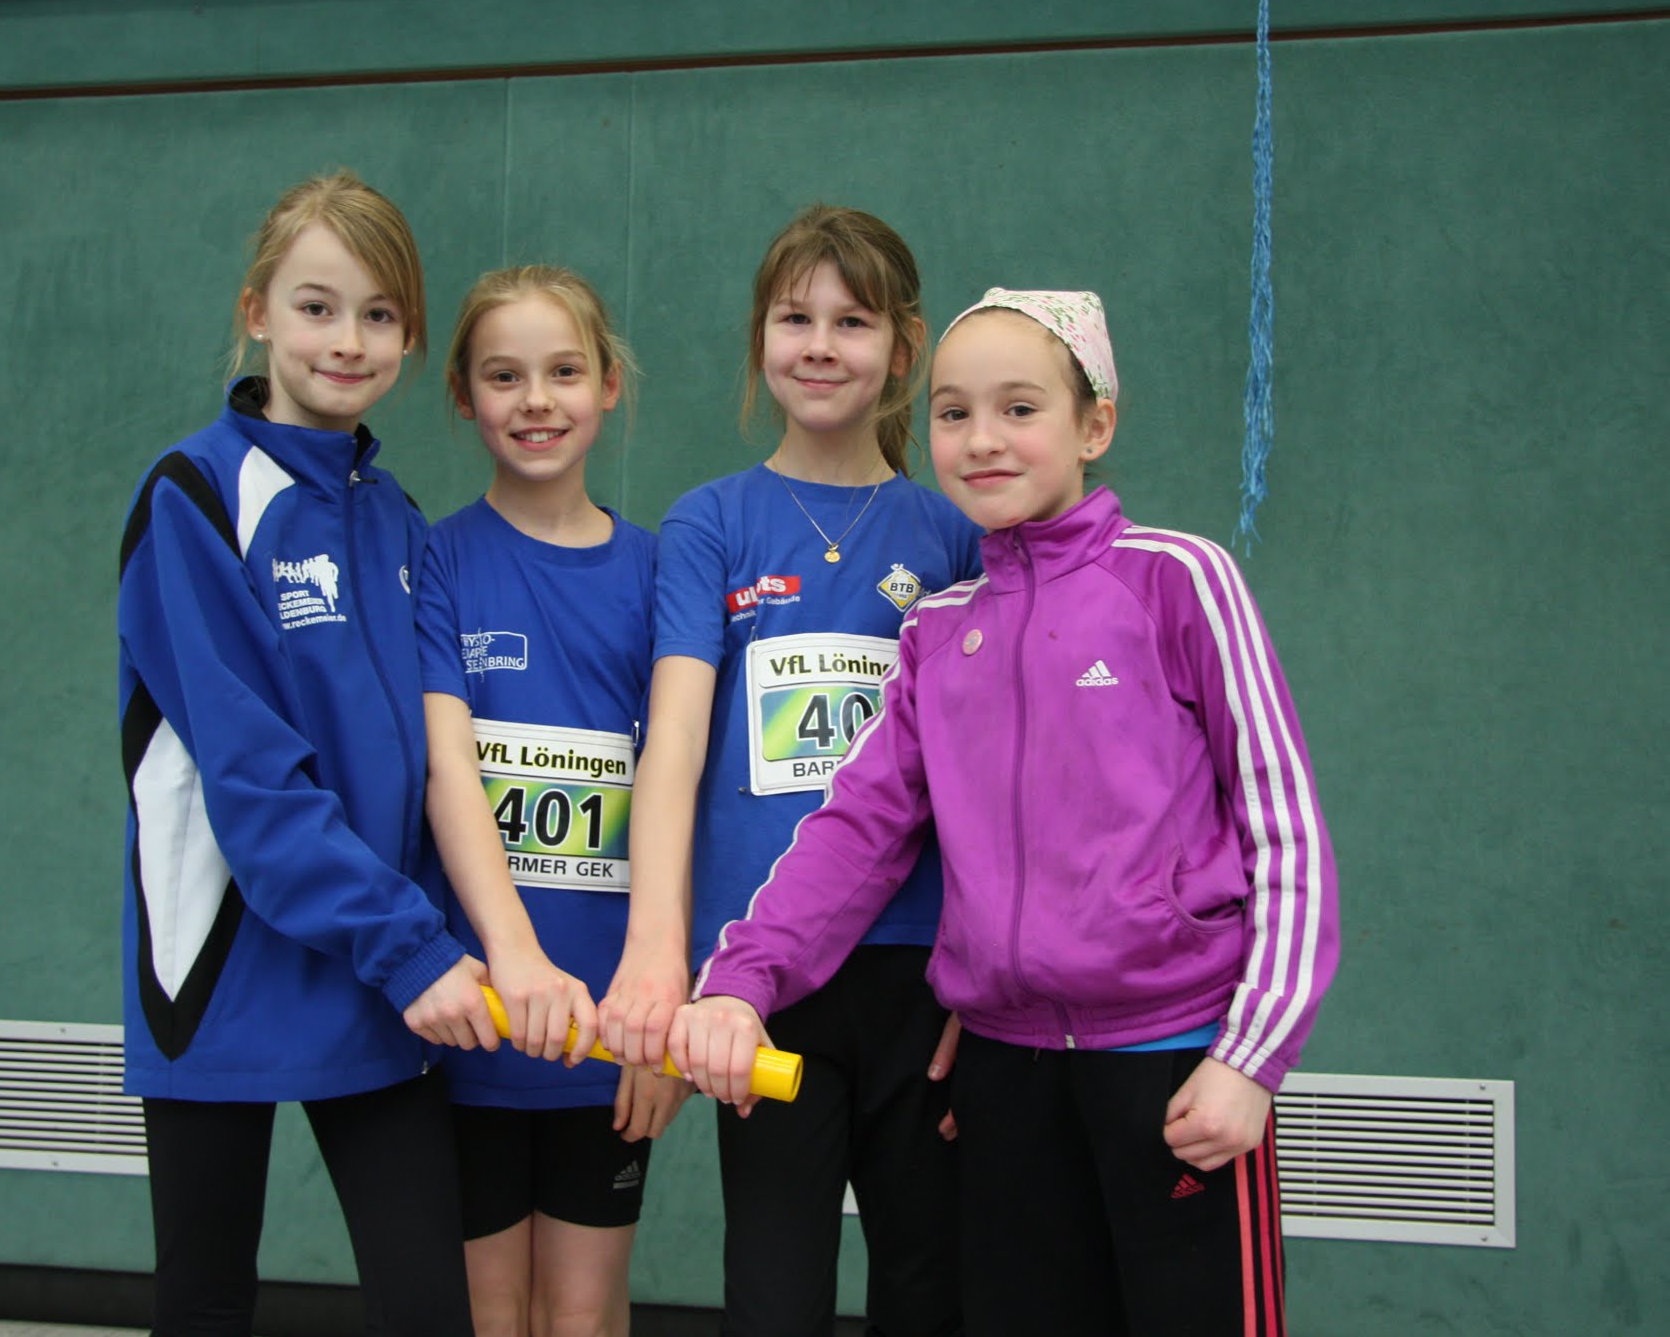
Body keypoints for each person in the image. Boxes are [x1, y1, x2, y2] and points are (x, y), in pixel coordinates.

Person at [671, 288, 1340, 1336]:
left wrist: (1249, 1059)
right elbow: (854, 834)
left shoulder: (1178, 580)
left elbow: (1284, 829)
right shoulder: (936, 632)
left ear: (1094, 425)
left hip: (1175, 1069)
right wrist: (738, 982)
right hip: (999, 1080)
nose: (981, 438)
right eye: (953, 412)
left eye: (1019, 408)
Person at [116, 171, 500, 1337]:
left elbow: (430, 763)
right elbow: (251, 777)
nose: (347, 340)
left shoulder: (396, 518)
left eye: (379, 314)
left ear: (409, 336)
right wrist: (410, 946)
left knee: (428, 1307)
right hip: (225, 960)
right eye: (316, 306)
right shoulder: (191, 495)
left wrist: (450, 942)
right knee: (205, 1301)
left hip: (379, 976)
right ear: (257, 312)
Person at [600, 206, 978, 1337]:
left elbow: (983, 780)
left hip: (921, 974)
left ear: (903, 349)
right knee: (774, 1294)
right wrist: (661, 956)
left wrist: (986, 978)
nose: (819, 345)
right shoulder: (709, 522)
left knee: (930, 1285)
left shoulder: (953, 533)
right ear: (759, 337)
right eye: (793, 318)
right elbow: (672, 748)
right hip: (760, 988)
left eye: (851, 321)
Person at [418, 265, 690, 1337]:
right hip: (477, 1015)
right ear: (463, 395)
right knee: (490, 1313)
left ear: (609, 385)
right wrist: (512, 955)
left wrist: (660, 1017)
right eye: (504, 376)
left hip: (613, 1025)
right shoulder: (435, 560)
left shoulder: (660, 572)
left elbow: (683, 794)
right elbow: (446, 771)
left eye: (564, 371)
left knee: (581, 1313)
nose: (535, 399)